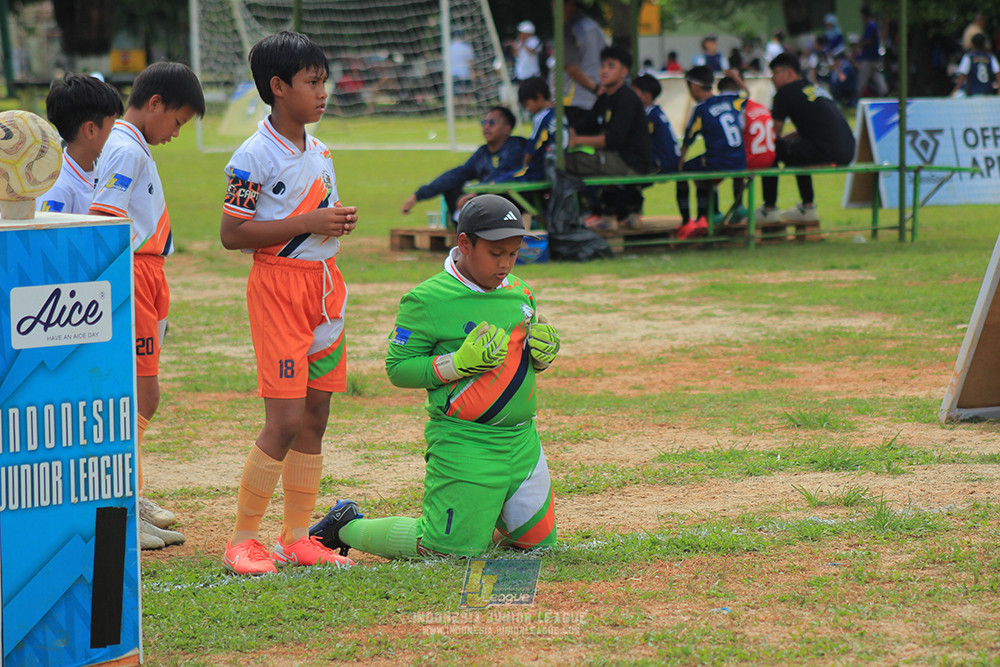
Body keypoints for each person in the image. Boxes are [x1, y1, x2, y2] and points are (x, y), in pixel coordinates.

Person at [308, 194, 559, 560]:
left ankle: (475, 515)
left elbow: (519, 364)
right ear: (464, 244)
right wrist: (457, 363)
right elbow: (398, 369)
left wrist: (542, 356)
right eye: (495, 253)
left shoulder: (521, 293)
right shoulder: (425, 300)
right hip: (465, 443)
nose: (505, 264)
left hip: (523, 443)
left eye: (513, 253)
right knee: (449, 550)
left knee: (536, 546)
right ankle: (345, 524)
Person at [217, 31, 358, 575]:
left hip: (326, 287)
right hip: (279, 289)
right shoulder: (251, 156)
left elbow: (316, 216)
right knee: (285, 417)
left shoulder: (320, 150)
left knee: (316, 414)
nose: (323, 93)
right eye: (312, 83)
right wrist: (307, 223)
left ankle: (297, 536)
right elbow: (233, 234)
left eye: (324, 82)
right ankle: (242, 539)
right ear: (278, 87)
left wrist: (335, 222)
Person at [88, 62, 205, 550]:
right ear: (154, 104)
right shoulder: (123, 147)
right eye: (177, 121)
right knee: (139, 395)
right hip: (132, 272)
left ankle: (127, 496)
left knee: (142, 394)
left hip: (150, 272)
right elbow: (102, 218)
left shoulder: (133, 146)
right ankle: (119, 502)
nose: (176, 133)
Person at [748, 53, 855, 224]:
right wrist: (783, 141)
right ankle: (807, 206)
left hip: (826, 149)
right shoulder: (815, 88)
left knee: (770, 151)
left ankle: (769, 209)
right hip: (847, 150)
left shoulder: (784, 92)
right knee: (793, 151)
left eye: (775, 73)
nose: (772, 79)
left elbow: (773, 134)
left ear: (789, 72)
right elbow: (809, 130)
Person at [566, 46, 652, 228]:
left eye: (611, 66)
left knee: (570, 160)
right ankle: (607, 215)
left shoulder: (626, 98)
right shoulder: (604, 98)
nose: (604, 70)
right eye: (602, 65)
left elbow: (614, 140)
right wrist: (569, 131)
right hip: (615, 158)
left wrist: (577, 141)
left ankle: (582, 214)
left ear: (624, 72)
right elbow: (585, 127)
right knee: (568, 157)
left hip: (631, 162)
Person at [401, 106, 525, 221]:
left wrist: (477, 196)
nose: (486, 127)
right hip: (484, 201)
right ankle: (464, 234)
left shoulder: (516, 148)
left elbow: (503, 177)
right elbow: (457, 174)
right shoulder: (482, 153)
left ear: (507, 128)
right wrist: (418, 195)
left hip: (510, 203)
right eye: (484, 123)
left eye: (492, 123)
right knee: (451, 186)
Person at [675, 65, 745, 239]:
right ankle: (729, 208)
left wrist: (680, 163)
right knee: (703, 172)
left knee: (685, 172)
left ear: (694, 87)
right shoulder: (729, 101)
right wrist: (737, 78)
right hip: (741, 160)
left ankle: (693, 220)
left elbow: (688, 139)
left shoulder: (701, 109)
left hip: (719, 161)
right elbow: (747, 95)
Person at [37, 73, 123, 215]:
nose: (118, 132)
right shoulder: (57, 188)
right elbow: (51, 236)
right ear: (91, 130)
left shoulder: (102, 171)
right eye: (114, 124)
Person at [717, 74, 774, 223]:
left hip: (752, 160)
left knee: (713, 169)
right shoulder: (759, 106)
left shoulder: (736, 108)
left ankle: (721, 211)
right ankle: (765, 206)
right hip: (770, 157)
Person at [561, 0, 607, 128]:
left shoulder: (569, 29)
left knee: (573, 143)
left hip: (574, 99)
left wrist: (596, 89)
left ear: (570, 4)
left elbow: (572, 68)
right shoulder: (594, 26)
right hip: (595, 98)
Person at [507, 76, 557, 181]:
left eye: (527, 104)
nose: (528, 109)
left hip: (540, 170)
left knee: (500, 181)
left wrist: (525, 165)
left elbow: (531, 148)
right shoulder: (559, 114)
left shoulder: (541, 117)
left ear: (539, 97)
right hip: (558, 168)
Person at [631, 74, 679, 174]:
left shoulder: (650, 117)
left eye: (634, 92)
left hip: (661, 163)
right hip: (669, 160)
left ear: (647, 96)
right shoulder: (655, 112)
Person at [857, 7, 888, 97]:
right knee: (876, 75)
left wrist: (860, 44)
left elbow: (868, 40)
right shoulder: (872, 25)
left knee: (863, 78)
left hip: (869, 57)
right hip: (875, 57)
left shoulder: (870, 25)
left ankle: (859, 96)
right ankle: (884, 91)